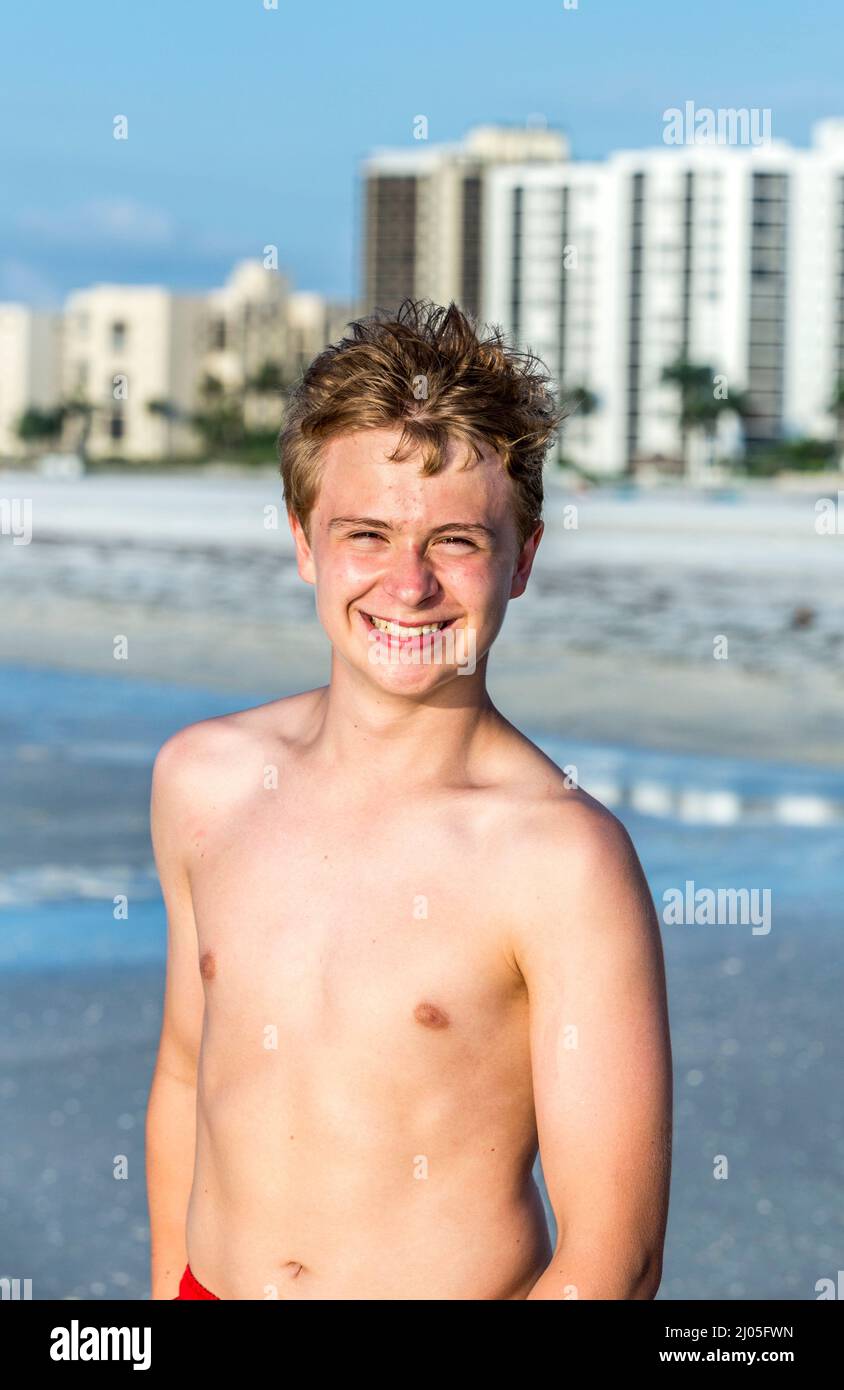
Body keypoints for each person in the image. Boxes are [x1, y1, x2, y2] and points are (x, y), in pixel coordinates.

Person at [145, 299, 672, 1300]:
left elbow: (616, 1254)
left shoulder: (560, 859)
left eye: (456, 544)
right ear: (305, 542)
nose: (408, 583)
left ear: (522, 558)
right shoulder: (203, 781)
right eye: (368, 533)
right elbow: (184, 1082)